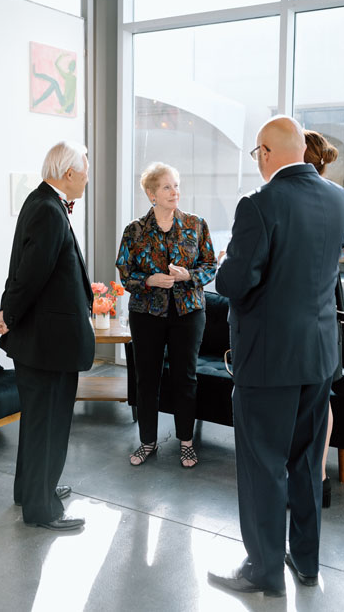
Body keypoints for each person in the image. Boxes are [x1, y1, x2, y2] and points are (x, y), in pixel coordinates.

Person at [209, 116, 344, 597]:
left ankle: (264, 571)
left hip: (269, 361)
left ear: (267, 153)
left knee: (263, 465)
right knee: (307, 462)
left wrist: (227, 261)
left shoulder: (259, 204)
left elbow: (234, 282)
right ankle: (306, 562)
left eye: (257, 153)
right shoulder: (338, 199)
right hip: (319, 355)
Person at [0, 141, 95, 532]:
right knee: (48, 425)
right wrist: (10, 314)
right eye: (85, 173)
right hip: (49, 344)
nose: (87, 180)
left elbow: (24, 268)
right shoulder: (49, 210)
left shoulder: (40, 202)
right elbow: (30, 273)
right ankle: (42, 508)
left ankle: (31, 491)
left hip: (41, 341)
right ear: (68, 174)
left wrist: (8, 311)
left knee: (38, 423)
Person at [116, 162, 216, 468]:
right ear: (152, 194)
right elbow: (125, 273)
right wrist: (149, 280)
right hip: (146, 314)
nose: (175, 192)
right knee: (147, 379)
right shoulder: (134, 230)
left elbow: (210, 265)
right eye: (167, 187)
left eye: (176, 186)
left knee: (185, 378)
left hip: (188, 313)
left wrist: (189, 275)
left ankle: (186, 442)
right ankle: (147, 441)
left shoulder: (196, 224)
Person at [304, 129, 340, 509]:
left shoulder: (302, 201)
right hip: (328, 307)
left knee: (313, 400)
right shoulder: (335, 198)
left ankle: (311, 475)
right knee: (321, 399)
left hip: (312, 308)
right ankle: (320, 476)